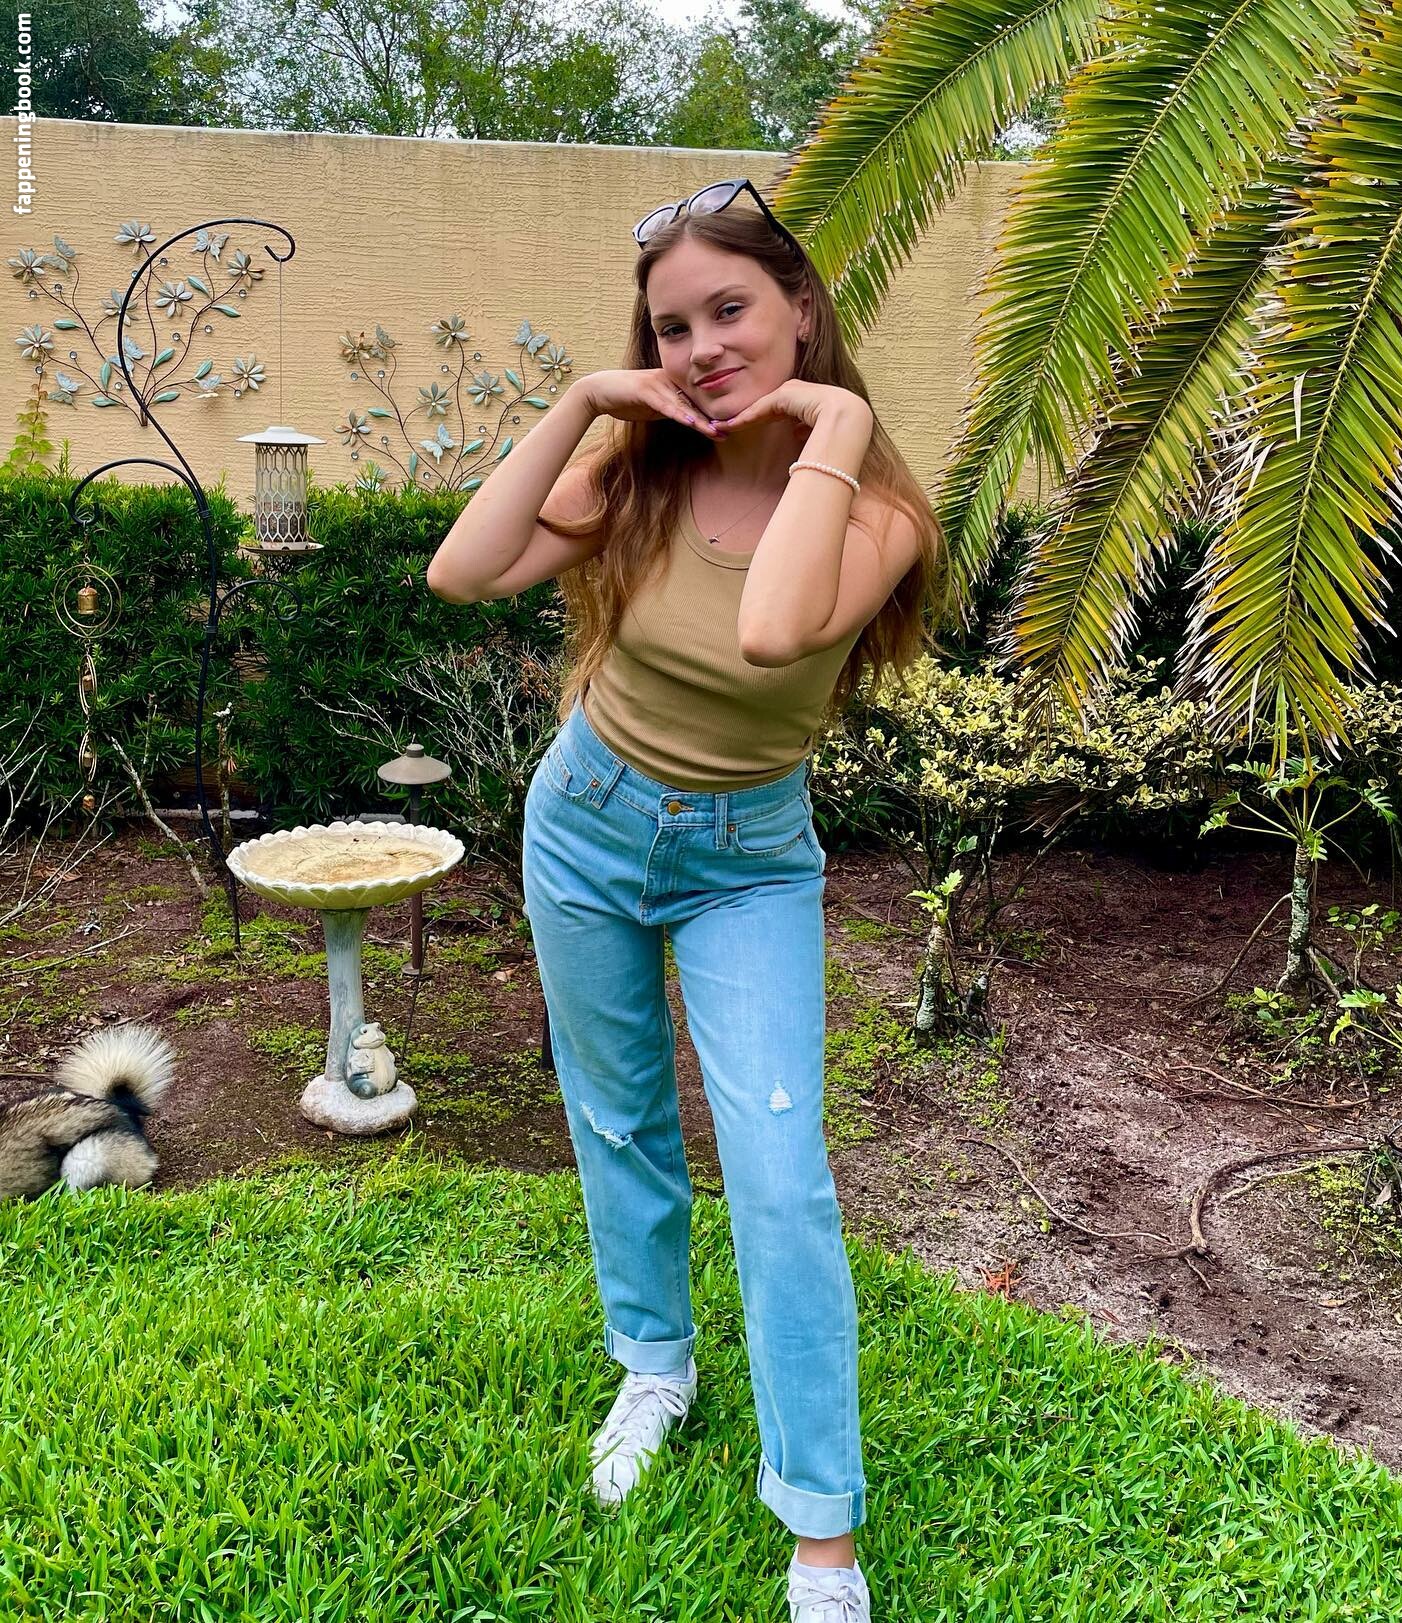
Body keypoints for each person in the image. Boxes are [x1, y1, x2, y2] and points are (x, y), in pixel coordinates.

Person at [428, 176, 947, 1622]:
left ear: (800, 308)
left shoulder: (880, 511)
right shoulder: (642, 470)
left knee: (779, 1174)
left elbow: (775, 628)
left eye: (732, 309)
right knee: (615, 1115)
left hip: (747, 858)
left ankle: (822, 1535)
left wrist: (831, 427)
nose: (703, 347)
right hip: (586, 822)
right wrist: (588, 402)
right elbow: (464, 569)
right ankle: (655, 1364)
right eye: (671, 327)